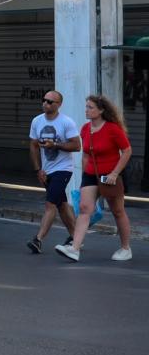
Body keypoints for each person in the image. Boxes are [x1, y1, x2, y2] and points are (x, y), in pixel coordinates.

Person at [57, 94, 133, 262]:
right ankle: (74, 249)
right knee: (84, 208)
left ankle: (125, 248)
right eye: (86, 107)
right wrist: (84, 175)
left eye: (90, 107)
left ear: (101, 110)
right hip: (91, 175)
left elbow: (127, 151)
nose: (87, 110)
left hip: (110, 176)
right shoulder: (85, 129)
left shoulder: (113, 129)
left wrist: (114, 173)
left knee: (118, 211)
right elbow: (85, 155)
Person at [27, 90, 80, 254]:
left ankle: (38, 239)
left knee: (50, 204)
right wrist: (38, 169)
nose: (46, 103)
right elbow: (33, 145)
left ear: (59, 105)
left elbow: (77, 146)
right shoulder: (37, 121)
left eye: (50, 102)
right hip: (47, 169)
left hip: (63, 169)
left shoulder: (66, 122)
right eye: (44, 100)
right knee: (61, 204)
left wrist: (56, 145)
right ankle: (75, 237)